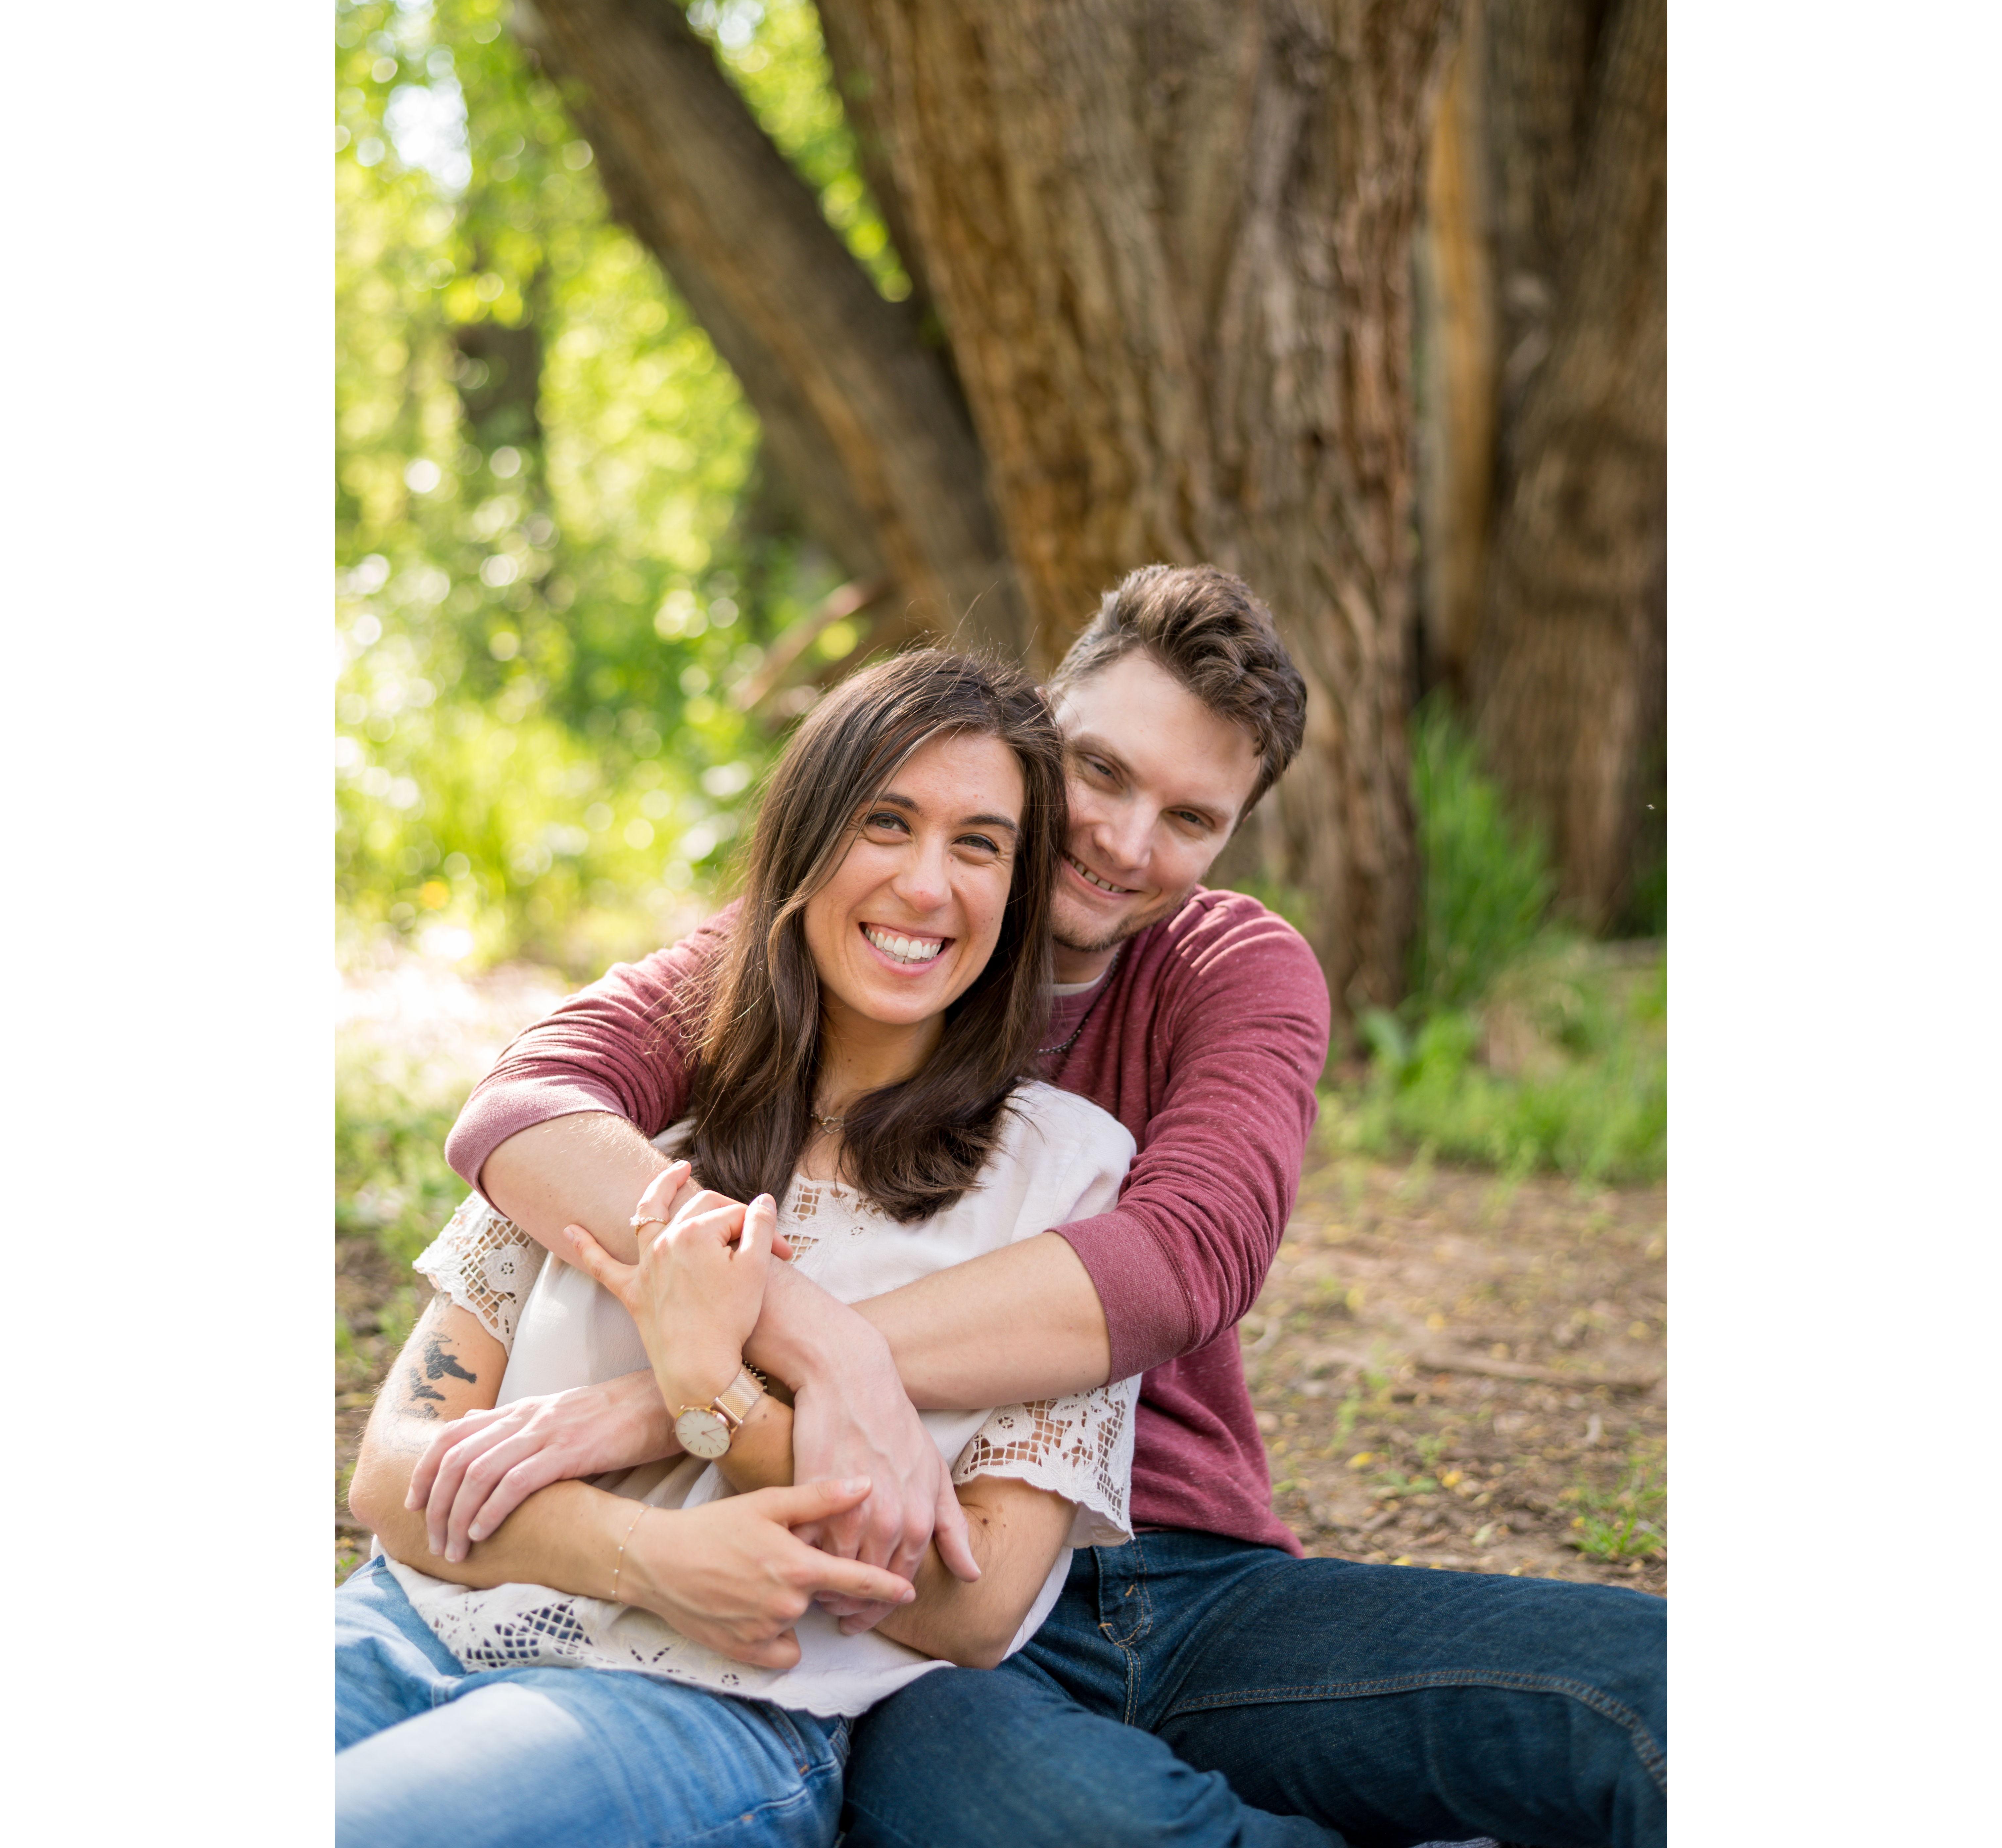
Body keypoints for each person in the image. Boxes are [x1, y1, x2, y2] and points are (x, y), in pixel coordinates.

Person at [429, 565, 1667, 1848]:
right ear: (1038, 730)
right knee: (1090, 1827)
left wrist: (716, 1379)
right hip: (928, 1617)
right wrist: (810, 1349)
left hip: (1194, 1586)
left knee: (1651, 1689)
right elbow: (524, 1106)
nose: (1128, 845)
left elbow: (1178, 1264)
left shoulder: (1235, 972)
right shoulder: (857, 926)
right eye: (1103, 773)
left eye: (1192, 817)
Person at [337, 649, 1141, 1847]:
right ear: (806, 845)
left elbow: (972, 1606)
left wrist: (712, 1391)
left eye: (979, 845)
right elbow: (396, 1480)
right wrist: (645, 1551)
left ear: (1019, 896)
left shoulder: (1063, 1180)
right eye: (887, 822)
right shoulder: (627, 1120)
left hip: (703, 1704)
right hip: (406, 1622)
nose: (928, 884)